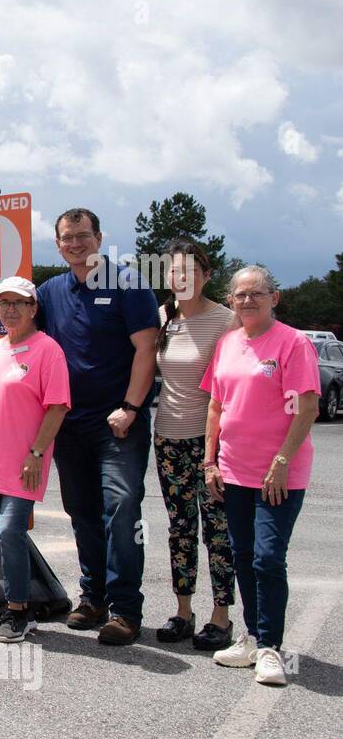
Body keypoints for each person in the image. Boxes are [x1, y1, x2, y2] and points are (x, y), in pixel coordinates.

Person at [37, 208, 159, 646]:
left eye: (83, 236)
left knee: (122, 511)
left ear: (100, 237)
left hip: (119, 424)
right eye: (67, 238)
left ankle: (126, 609)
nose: (75, 244)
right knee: (82, 512)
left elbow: (147, 349)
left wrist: (130, 406)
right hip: (70, 425)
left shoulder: (129, 285)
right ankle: (92, 598)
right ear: (57, 244)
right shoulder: (50, 291)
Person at [203, 266, 319, 686]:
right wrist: (209, 460)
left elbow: (308, 408)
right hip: (234, 470)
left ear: (275, 298)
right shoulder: (228, 344)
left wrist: (283, 460)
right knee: (242, 555)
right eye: (240, 295)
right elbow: (216, 406)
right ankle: (252, 637)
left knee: (268, 557)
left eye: (257, 293)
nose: (248, 301)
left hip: (278, 475)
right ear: (231, 300)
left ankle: (271, 647)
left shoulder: (294, 343)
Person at [0, 277, 71, 642]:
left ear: (33, 308)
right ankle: (12, 602)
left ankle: (20, 611)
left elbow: (58, 405)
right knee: (4, 533)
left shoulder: (48, 350)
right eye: (3, 303)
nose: (10, 309)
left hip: (26, 460)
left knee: (11, 530)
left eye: (19, 303)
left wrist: (36, 453)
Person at [152, 240, 239, 649]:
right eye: (173, 271)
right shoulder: (163, 317)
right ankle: (183, 611)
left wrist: (215, 450)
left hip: (211, 445)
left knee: (218, 533)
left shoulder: (226, 321)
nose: (181, 278)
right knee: (180, 529)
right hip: (167, 437)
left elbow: (232, 389)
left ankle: (221, 617)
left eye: (190, 271)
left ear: (206, 275)